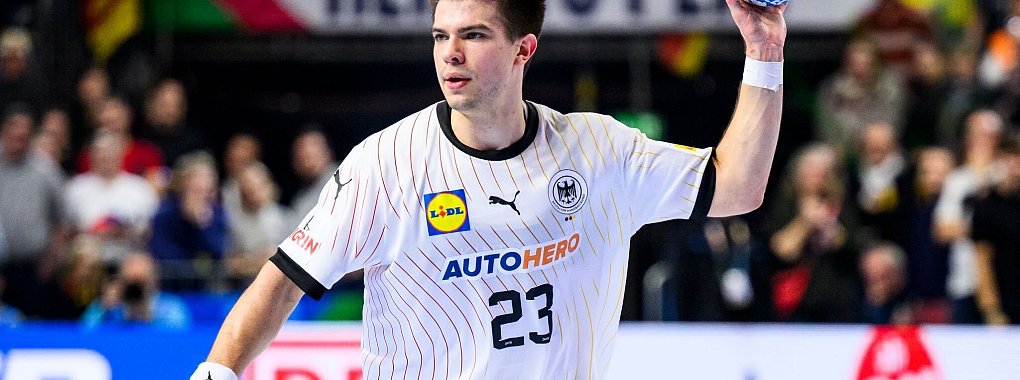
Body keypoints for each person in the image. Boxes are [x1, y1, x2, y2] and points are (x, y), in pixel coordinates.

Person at [191, 0, 787, 379]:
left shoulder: (601, 152)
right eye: (439, 35)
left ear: (524, 48)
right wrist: (217, 370)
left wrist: (764, 52)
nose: (449, 53)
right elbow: (280, 282)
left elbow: (739, 185)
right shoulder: (387, 165)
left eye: (473, 34)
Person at [971, 134, 1020, 325]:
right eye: (1012, 156)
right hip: (1005, 300)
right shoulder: (987, 205)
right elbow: (982, 258)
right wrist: (991, 309)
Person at [81, 251, 191, 330]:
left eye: (141, 282)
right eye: (131, 282)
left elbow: (179, 338)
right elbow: (84, 332)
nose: (136, 289)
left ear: (153, 281)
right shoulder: (112, 306)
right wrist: (103, 308)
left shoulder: (171, 307)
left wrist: (148, 316)